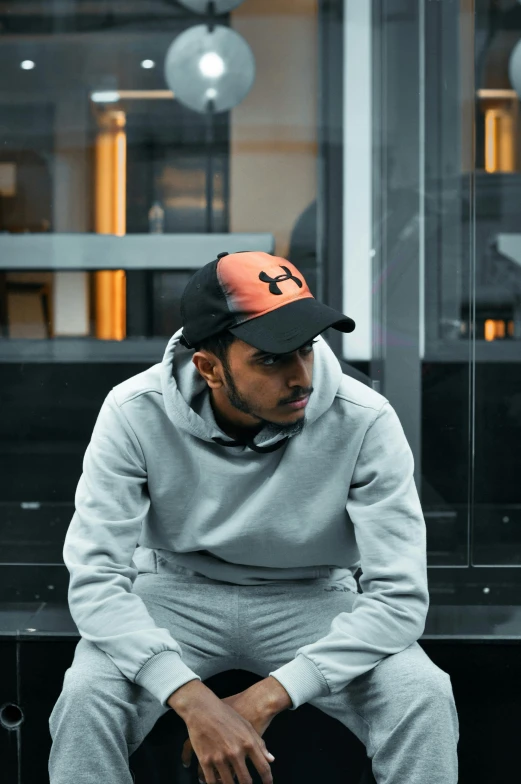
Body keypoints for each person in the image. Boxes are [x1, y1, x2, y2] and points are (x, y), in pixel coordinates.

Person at [48, 250, 459, 784]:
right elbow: (96, 579)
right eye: (271, 358)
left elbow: (400, 598)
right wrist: (193, 700)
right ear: (210, 368)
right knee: (85, 698)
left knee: (422, 693)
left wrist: (268, 697)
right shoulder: (133, 411)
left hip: (313, 595)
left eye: (307, 348)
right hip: (175, 590)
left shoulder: (364, 417)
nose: (301, 377)